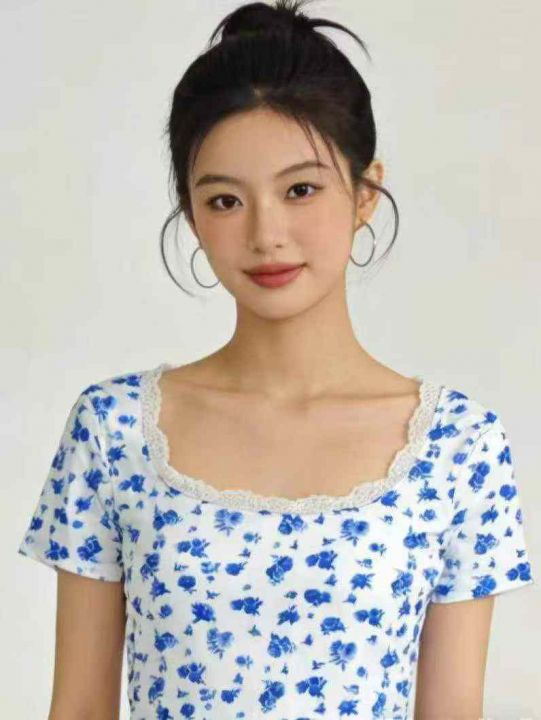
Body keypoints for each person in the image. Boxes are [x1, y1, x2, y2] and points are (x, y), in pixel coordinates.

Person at [17, 0, 535, 717]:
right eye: (225, 201)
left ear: (365, 193)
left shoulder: (458, 448)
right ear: (191, 215)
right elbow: (77, 709)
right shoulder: (114, 431)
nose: (266, 234)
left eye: (300, 190)